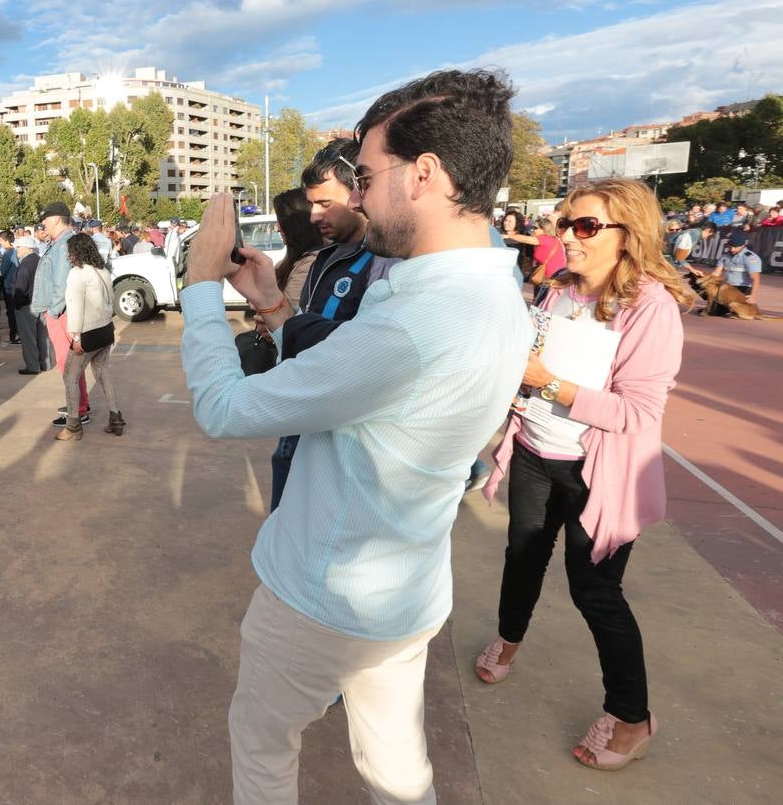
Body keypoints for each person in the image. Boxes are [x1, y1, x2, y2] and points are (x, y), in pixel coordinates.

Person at [181, 69, 531, 804]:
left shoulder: (415, 322)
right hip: (404, 592)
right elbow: (350, 381)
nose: (358, 197)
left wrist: (197, 289)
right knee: (396, 769)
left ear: (426, 174)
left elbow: (222, 408)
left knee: (263, 744)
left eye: (368, 177)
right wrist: (272, 303)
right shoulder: (493, 289)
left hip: (326, 597)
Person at [477, 178, 693, 771]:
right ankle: (509, 636)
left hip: (599, 475)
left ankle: (631, 715)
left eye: (586, 226)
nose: (566, 236)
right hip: (534, 454)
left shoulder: (651, 307)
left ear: (629, 235)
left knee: (595, 591)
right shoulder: (558, 289)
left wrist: (547, 381)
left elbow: (638, 412)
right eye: (564, 222)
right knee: (522, 555)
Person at [263, 140, 397, 512]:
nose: (314, 217)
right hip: (304, 410)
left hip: (339, 425)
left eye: (325, 204)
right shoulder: (325, 257)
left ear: (358, 191)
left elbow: (362, 353)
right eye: (311, 205)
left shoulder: (383, 262)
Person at [56, 234, 124, 439]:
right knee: (103, 374)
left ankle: (73, 426)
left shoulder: (78, 274)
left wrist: (76, 338)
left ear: (78, 251)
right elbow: (111, 299)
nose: (68, 256)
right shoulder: (103, 270)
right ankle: (115, 418)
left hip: (87, 333)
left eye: (70, 251)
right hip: (106, 330)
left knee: (70, 378)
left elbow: (75, 307)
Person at [31, 203, 91, 427]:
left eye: (45, 219)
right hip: (64, 311)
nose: (43, 224)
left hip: (61, 312)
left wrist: (53, 313)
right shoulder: (63, 242)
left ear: (56, 219)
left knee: (68, 365)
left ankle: (78, 409)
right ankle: (80, 404)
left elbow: (61, 283)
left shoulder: (63, 244)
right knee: (73, 364)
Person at [8, 235, 51, 375]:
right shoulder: (40, 260)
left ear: (27, 248)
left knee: (29, 338)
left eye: (19, 247)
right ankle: (45, 364)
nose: (17, 250)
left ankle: (33, 366)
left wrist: (17, 304)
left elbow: (21, 286)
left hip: (27, 305)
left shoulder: (25, 264)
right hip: (41, 303)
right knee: (42, 336)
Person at [709, 229, 762, 306]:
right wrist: (707, 281)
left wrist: (753, 296)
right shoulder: (725, 255)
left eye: (735, 247)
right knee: (713, 307)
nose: (732, 249)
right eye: (730, 246)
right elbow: (716, 272)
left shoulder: (750, 258)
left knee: (722, 309)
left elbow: (755, 279)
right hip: (727, 287)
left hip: (742, 288)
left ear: (743, 245)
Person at [530, 214, 567, 303]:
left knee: (540, 304)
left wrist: (509, 236)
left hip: (548, 279)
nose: (532, 230)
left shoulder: (545, 239)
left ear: (544, 230)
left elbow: (525, 239)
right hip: (551, 277)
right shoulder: (550, 239)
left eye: (535, 228)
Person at [0, 230, 21, 344]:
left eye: (1, 240)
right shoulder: (17, 251)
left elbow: (2, 271)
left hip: (9, 287)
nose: (0, 243)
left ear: (5, 240)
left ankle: (15, 335)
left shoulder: (8, 254)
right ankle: (17, 334)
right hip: (16, 286)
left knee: (12, 313)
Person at [500, 208, 538, 276]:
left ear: (517, 223)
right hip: (501, 270)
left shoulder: (524, 235)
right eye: (505, 220)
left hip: (517, 271)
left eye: (510, 221)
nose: (506, 223)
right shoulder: (497, 233)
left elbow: (530, 255)